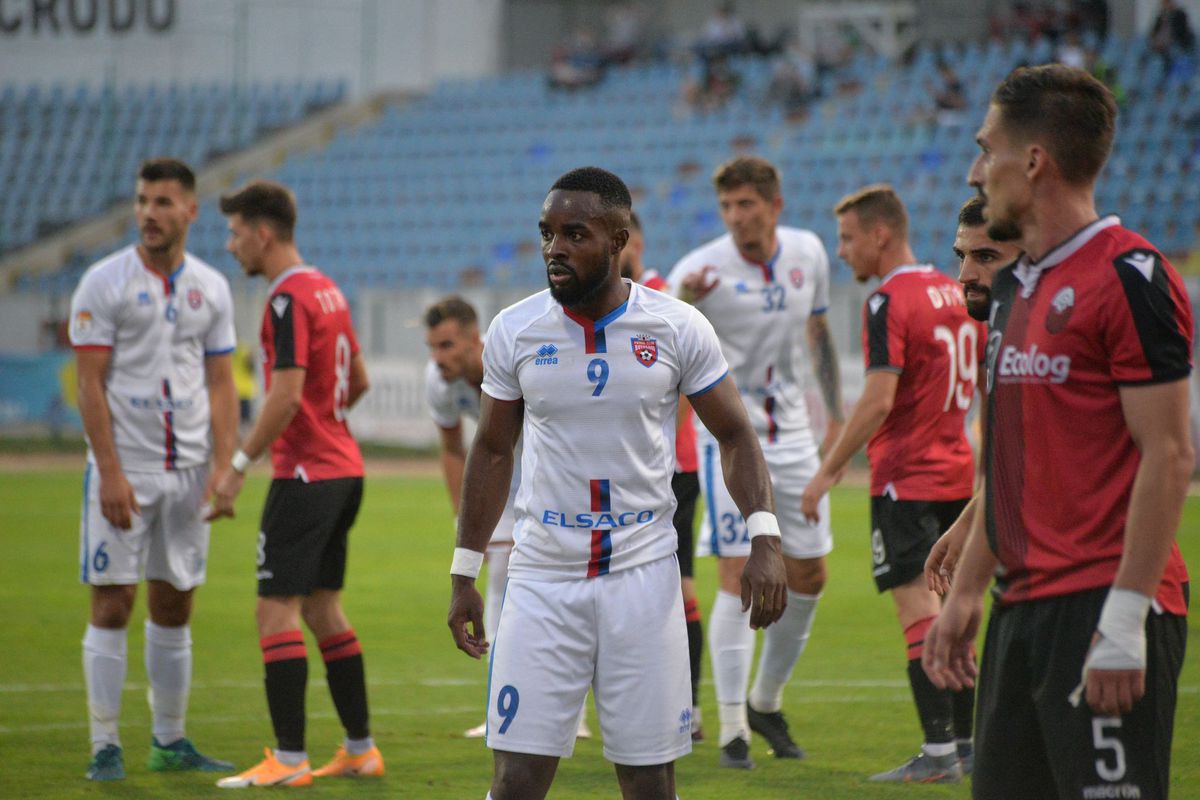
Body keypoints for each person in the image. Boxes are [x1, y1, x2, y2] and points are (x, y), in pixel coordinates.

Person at [447, 166, 787, 800]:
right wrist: (465, 570)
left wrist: (764, 537)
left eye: (575, 233)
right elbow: (492, 450)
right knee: (516, 779)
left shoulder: (678, 327)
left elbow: (737, 435)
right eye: (548, 233)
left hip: (643, 574)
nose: (556, 248)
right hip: (543, 577)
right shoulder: (515, 330)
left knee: (650, 782)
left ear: (619, 238)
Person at [924, 64, 1193, 799]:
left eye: (987, 150)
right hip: (1023, 606)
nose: (979, 171)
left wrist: (1126, 620)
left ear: (1033, 160)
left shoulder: (1131, 276)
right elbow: (1008, 464)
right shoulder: (1017, 290)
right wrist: (968, 593)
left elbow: (1169, 457)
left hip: (1105, 601)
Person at [798, 185, 983, 783]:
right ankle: (968, 744)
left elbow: (878, 400)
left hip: (906, 478)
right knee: (957, 608)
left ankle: (936, 755)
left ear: (881, 234)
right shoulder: (956, 290)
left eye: (849, 238)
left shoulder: (887, 300)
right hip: (958, 472)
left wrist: (828, 471)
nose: (842, 251)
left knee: (918, 613)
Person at [667, 155, 845, 769]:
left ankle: (767, 701)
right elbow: (662, 338)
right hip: (730, 439)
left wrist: (838, 418)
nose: (736, 217)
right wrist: (687, 301)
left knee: (811, 576)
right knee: (738, 574)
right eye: (727, 207)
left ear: (775, 206)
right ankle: (733, 729)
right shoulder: (701, 269)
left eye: (747, 205)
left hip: (794, 434)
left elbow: (818, 333)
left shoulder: (809, 253)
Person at [209, 180, 384, 787]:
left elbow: (283, 396)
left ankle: (288, 759)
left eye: (234, 233)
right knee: (323, 609)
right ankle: (360, 749)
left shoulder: (285, 300)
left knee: (274, 612)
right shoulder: (327, 288)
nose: (230, 246)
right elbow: (356, 379)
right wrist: (327, 418)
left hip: (306, 474)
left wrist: (235, 469)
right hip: (344, 470)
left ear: (262, 233)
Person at [68, 157, 238, 782]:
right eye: (143, 200)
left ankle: (169, 740)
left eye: (163, 202)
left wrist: (226, 466)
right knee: (112, 605)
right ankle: (104, 744)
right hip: (127, 468)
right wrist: (110, 472)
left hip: (191, 472)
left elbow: (222, 383)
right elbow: (89, 385)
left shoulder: (212, 287)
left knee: (174, 604)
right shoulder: (102, 282)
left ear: (191, 210)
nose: (149, 213)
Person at [422, 295, 591, 741]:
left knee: (536, 586)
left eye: (447, 346)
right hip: (500, 488)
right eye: (432, 347)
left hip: (551, 482)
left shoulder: (514, 355)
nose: (438, 358)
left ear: (475, 339)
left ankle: (547, 711)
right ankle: (511, 706)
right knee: (498, 580)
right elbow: (452, 449)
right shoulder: (439, 383)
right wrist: (466, 521)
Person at [618, 212, 705, 741]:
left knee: (674, 588)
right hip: (640, 467)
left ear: (635, 241)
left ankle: (686, 709)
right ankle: (662, 706)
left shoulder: (658, 297)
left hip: (671, 467)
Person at [922, 196, 1023, 597]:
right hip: (1026, 577)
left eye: (985, 256)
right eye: (961, 256)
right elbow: (1017, 465)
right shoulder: (1002, 334)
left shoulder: (1055, 335)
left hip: (1091, 581)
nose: (964, 274)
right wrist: (969, 524)